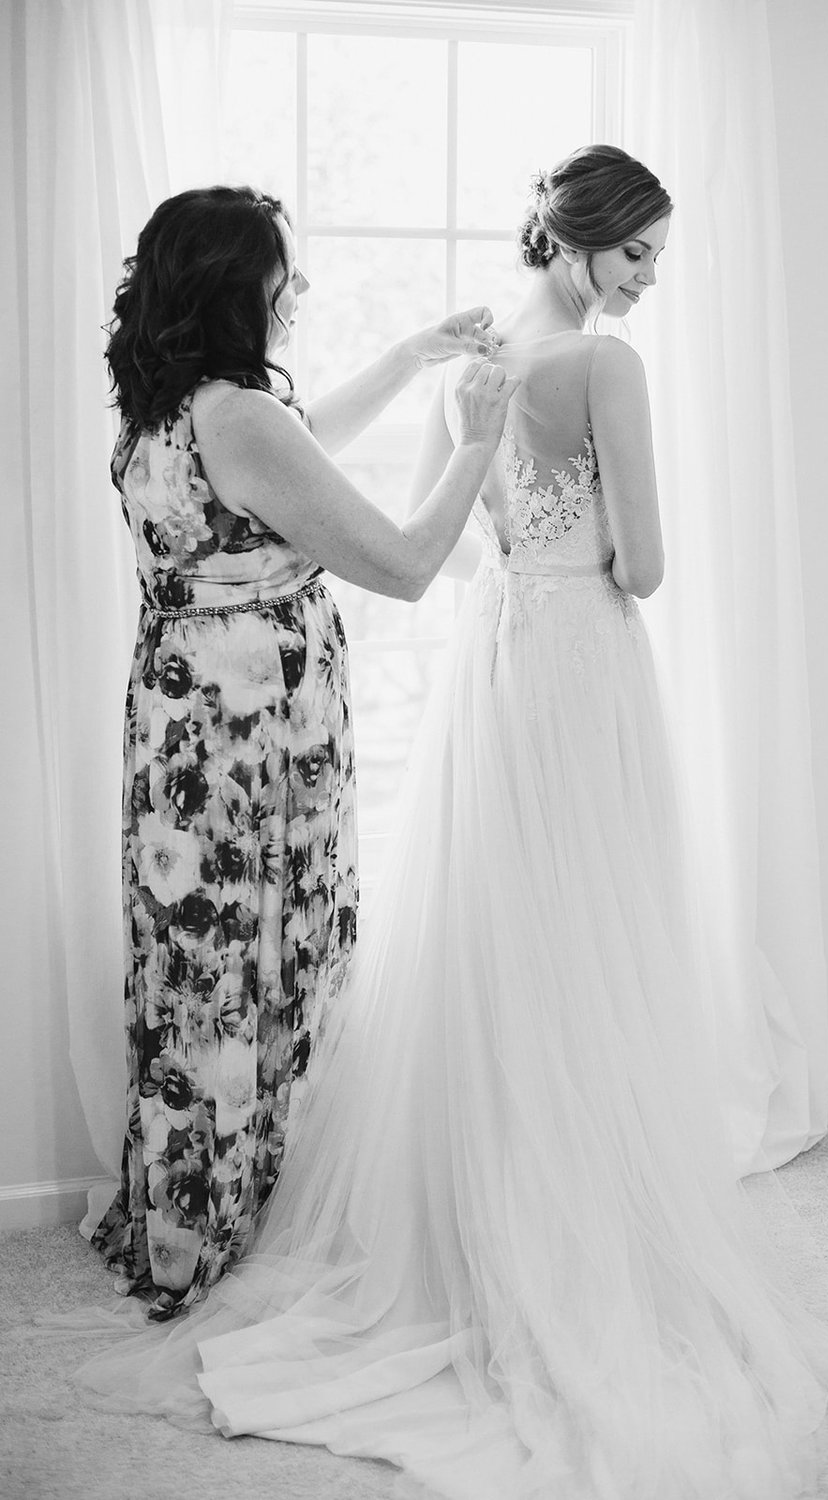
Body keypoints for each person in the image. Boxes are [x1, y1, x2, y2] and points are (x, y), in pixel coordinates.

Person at [75, 151, 828, 1496]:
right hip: (559, 662)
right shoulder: (597, 373)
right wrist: (579, 541)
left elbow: (453, 541)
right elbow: (630, 566)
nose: (650, 282)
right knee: (586, 942)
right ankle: (566, 1225)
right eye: (637, 255)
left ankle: (300, 1216)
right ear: (579, 245)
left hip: (444, 667)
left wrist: (457, 422)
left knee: (484, 944)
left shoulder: (227, 405)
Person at [92, 184, 516, 1321]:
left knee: (199, 974)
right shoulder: (240, 421)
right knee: (262, 967)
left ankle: (189, 1212)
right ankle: (254, 1222)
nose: (302, 290)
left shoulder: (167, 407)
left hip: (181, 735)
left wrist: (409, 355)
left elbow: (299, 448)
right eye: (289, 273)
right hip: (253, 751)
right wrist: (474, 444)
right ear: (242, 290)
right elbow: (408, 561)